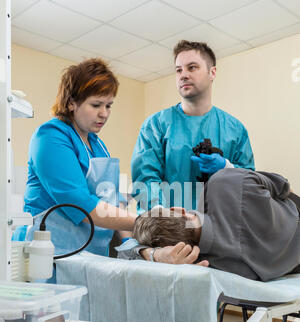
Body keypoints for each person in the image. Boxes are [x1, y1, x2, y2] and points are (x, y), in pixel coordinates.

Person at [13, 58, 137, 260]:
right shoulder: (50, 136)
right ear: (71, 103)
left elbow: (111, 202)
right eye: (96, 104)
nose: (104, 114)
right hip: (47, 254)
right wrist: (142, 222)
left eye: (108, 105)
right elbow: (80, 204)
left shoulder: (98, 146)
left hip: (91, 256)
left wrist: (129, 243)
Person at [131, 40, 255, 213]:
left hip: (221, 229)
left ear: (212, 72)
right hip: (169, 230)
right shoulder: (155, 126)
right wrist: (162, 219)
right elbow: (146, 179)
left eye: (192, 67)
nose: (183, 75)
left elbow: (251, 184)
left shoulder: (235, 130)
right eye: (178, 70)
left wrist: (227, 167)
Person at [129, 168, 300, 282]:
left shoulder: (213, 268)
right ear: (179, 210)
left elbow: (126, 253)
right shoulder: (223, 183)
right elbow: (283, 187)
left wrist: (152, 255)